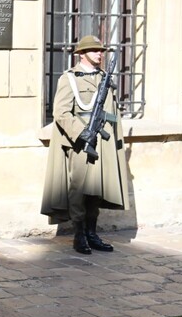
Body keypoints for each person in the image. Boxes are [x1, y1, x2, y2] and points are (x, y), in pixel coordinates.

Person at [41, 34, 131, 254]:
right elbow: (60, 112)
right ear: (82, 54)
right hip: (80, 141)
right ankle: (79, 234)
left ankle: (92, 233)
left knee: (96, 189)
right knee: (79, 189)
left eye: (101, 50)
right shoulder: (69, 78)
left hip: (101, 141)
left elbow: (110, 110)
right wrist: (82, 133)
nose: (100, 53)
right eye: (94, 50)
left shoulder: (103, 77)